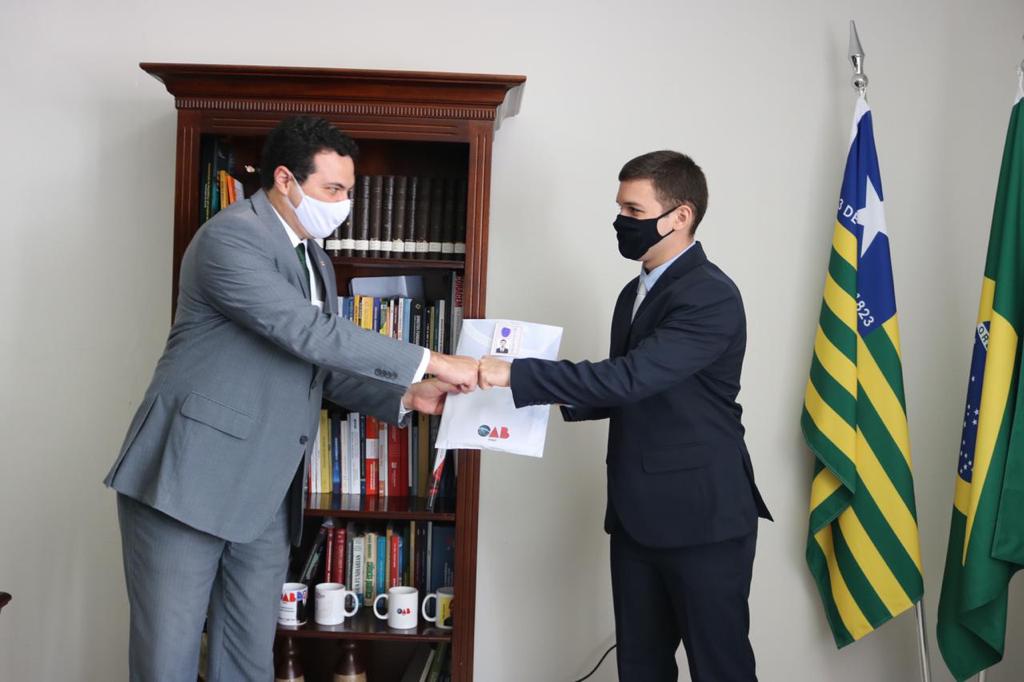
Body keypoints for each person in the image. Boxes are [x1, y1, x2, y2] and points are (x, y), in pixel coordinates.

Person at [103, 115, 477, 682]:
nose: (344, 204)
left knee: (249, 658)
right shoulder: (231, 237)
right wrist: (437, 360)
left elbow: (313, 368)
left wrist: (408, 395)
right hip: (188, 480)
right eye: (333, 189)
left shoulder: (315, 258)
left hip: (266, 491)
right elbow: (308, 332)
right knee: (167, 661)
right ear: (284, 179)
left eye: (349, 191)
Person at [479, 150, 771, 681]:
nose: (621, 221)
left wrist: (511, 374)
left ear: (680, 216)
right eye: (619, 208)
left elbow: (630, 378)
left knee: (720, 668)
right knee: (639, 666)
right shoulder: (631, 294)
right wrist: (497, 392)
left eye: (634, 211)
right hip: (636, 516)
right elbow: (628, 391)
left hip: (703, 519)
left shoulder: (710, 296)